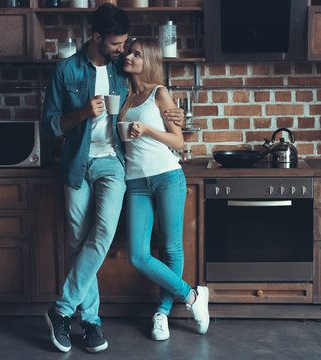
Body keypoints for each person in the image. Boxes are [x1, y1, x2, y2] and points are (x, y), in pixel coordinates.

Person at [41, 4, 184, 353]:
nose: (122, 50)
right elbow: (49, 126)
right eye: (117, 44)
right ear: (97, 38)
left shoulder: (123, 70)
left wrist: (173, 112)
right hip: (76, 164)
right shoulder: (66, 70)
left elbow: (151, 91)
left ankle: (60, 310)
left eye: (125, 45)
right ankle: (90, 321)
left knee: (102, 234)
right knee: (78, 243)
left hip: (114, 164)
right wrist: (80, 114)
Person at [119, 38, 209, 341]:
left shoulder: (160, 93)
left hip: (167, 176)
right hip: (135, 182)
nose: (129, 57)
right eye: (129, 52)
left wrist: (147, 130)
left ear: (149, 61)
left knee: (172, 248)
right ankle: (193, 296)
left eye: (136, 54)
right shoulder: (124, 96)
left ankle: (162, 312)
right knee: (137, 255)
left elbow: (178, 142)